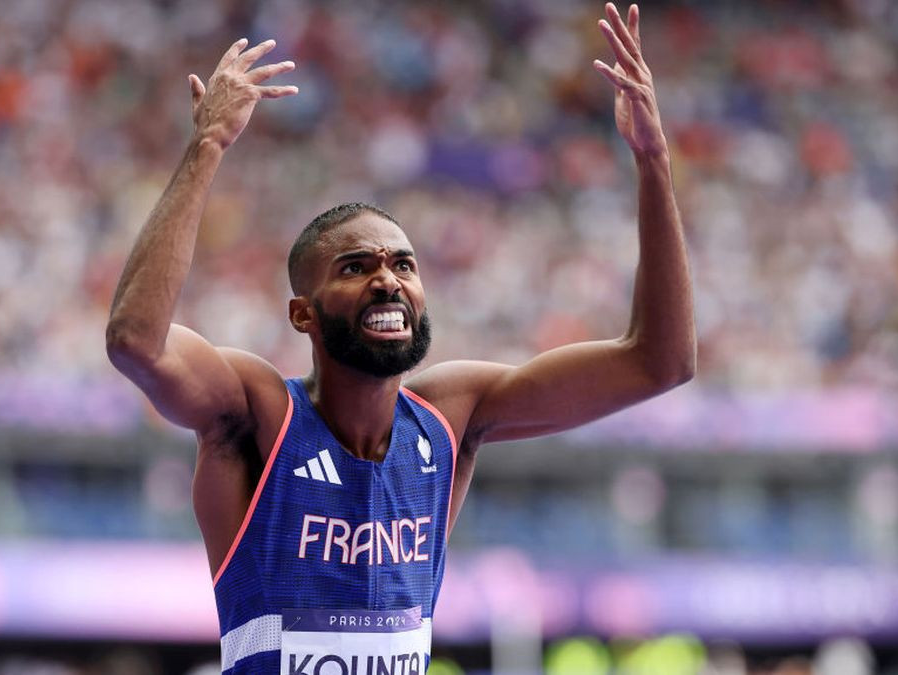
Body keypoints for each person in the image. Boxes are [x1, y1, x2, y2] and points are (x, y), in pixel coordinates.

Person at [105, 3, 693, 673]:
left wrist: (652, 160)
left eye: (403, 264)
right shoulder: (256, 414)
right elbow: (136, 341)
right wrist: (206, 146)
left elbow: (661, 361)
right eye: (356, 267)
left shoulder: (450, 418)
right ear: (303, 314)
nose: (388, 280)